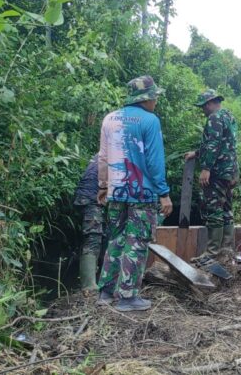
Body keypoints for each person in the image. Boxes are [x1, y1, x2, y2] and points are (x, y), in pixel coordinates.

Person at [97, 75, 173, 311]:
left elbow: (103, 157)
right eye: (155, 97)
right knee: (136, 242)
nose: (156, 102)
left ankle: (106, 293)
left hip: (116, 192)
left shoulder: (110, 118)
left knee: (116, 239)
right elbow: (153, 161)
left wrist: (102, 185)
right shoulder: (150, 121)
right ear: (147, 98)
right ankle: (128, 297)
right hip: (142, 194)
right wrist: (164, 193)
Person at [185, 89, 238, 267]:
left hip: (216, 172)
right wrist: (197, 153)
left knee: (213, 209)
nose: (202, 110)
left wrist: (206, 168)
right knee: (226, 209)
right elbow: (225, 145)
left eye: (203, 107)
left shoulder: (214, 118)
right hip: (229, 171)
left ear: (209, 103)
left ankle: (212, 253)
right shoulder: (228, 116)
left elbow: (214, 144)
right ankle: (226, 249)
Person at [73, 154, 106, 293]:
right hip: (92, 197)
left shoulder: (103, 153)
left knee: (99, 236)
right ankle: (89, 285)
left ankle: (97, 279)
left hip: (88, 196)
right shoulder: (115, 152)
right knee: (93, 237)